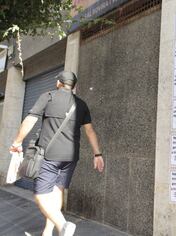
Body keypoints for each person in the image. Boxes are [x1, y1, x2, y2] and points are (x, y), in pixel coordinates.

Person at [8, 71, 104, 236]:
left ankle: (63, 225)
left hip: (49, 155)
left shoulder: (48, 96)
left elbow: (30, 120)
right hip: (70, 157)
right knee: (57, 191)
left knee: (40, 194)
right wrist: (98, 154)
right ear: (74, 86)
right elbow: (90, 132)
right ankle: (47, 231)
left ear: (59, 82)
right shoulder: (81, 104)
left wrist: (17, 142)